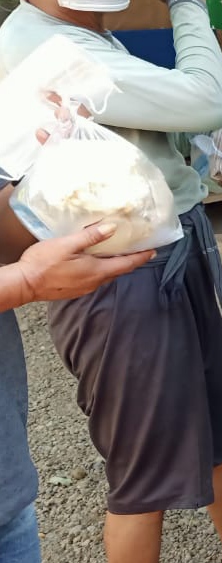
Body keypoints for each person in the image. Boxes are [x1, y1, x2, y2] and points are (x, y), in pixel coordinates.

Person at [0, 0, 222, 563]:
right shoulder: (44, 47)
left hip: (167, 247)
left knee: (220, 428)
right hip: (116, 275)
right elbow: (206, 99)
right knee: (143, 472)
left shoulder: (85, 35)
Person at [1, 217, 153, 563]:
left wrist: (72, 199)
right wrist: (24, 280)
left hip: (8, 486)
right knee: (138, 462)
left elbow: (10, 227)